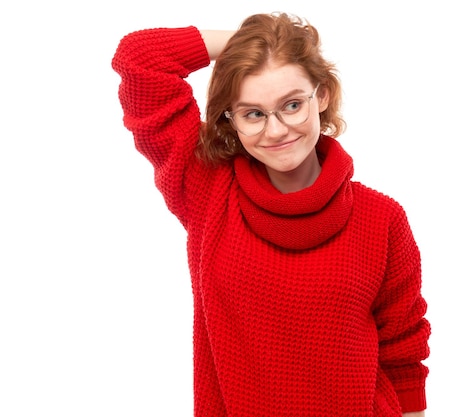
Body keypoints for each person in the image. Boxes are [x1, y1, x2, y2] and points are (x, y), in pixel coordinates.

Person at [112, 12, 430, 417]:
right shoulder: (207, 190)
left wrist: (286, 50)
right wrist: (259, 46)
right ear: (232, 119)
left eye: (292, 104)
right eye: (253, 113)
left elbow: (404, 352)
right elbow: (139, 59)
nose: (277, 130)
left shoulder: (382, 218)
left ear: (323, 96)